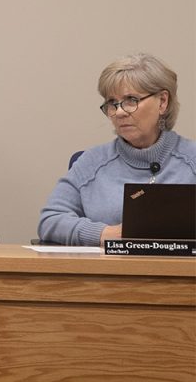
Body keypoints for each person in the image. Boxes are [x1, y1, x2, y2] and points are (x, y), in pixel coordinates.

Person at [38, 53, 196, 245]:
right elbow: (50, 220)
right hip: (108, 273)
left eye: (131, 100)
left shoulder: (191, 159)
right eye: (112, 103)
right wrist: (102, 234)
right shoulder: (91, 162)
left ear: (162, 102)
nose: (119, 112)